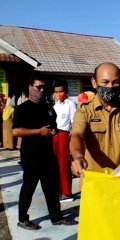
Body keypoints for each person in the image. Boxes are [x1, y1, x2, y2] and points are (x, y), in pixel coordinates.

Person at [12, 74, 77, 230]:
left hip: (48, 155)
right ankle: (22, 219)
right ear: (30, 88)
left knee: (51, 188)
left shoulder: (49, 108)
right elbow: (15, 131)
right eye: (38, 87)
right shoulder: (23, 109)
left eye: (43, 87)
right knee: (28, 188)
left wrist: (53, 132)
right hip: (31, 156)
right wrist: (38, 132)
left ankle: (56, 217)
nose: (41, 90)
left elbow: (52, 125)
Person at [70, 62, 120, 176]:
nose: (110, 86)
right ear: (94, 83)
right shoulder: (85, 110)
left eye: (115, 82)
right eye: (105, 82)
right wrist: (78, 156)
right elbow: (77, 135)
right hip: (95, 181)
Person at [53, 80, 77, 202]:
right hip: (55, 135)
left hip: (64, 135)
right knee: (55, 165)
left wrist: (71, 140)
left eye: (61, 91)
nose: (58, 94)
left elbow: (74, 124)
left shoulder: (71, 104)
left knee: (64, 164)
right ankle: (59, 191)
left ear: (66, 91)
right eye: (56, 92)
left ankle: (67, 193)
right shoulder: (55, 105)